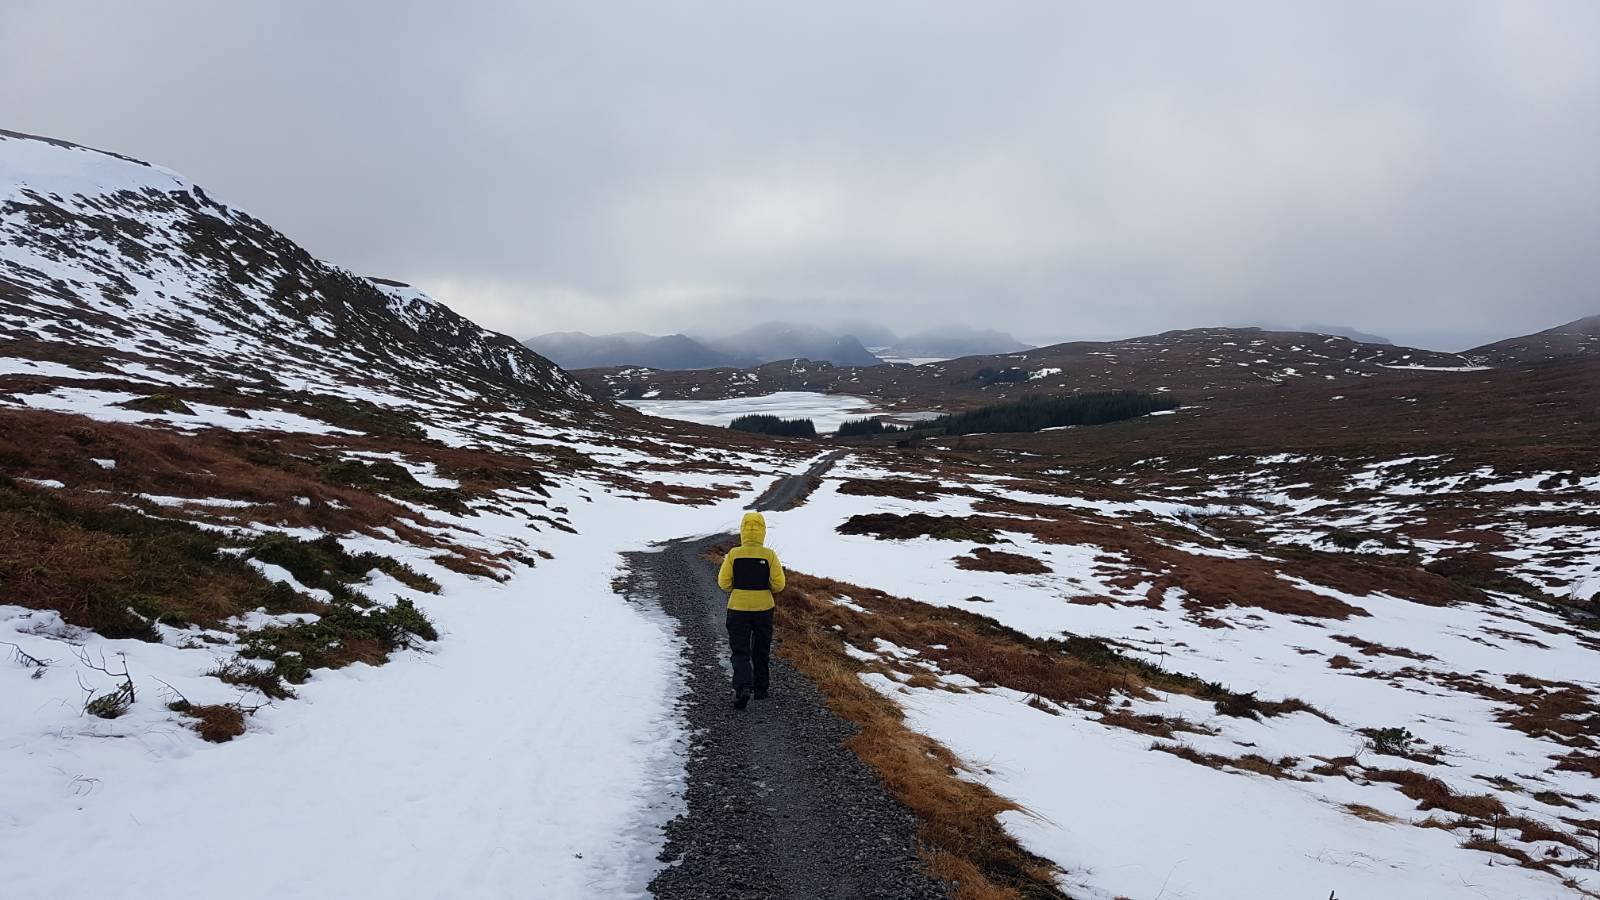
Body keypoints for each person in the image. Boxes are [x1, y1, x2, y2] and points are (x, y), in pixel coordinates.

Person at [717, 511, 786, 709]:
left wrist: (737, 589)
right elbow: (779, 584)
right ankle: (761, 689)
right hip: (764, 609)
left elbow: (724, 583)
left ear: (742, 531)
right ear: (763, 531)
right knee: (761, 648)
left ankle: (742, 688)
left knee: (740, 650)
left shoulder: (734, 554)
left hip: (737, 608)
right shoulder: (769, 555)